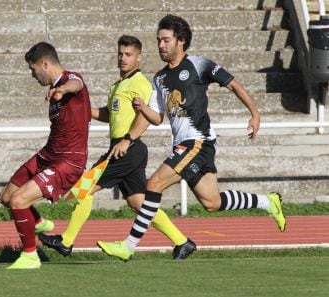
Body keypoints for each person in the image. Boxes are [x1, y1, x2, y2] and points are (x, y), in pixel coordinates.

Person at [97, 14, 286, 261]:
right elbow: (155, 117)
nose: (160, 45)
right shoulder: (160, 78)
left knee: (153, 185)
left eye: (166, 40)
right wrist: (130, 135)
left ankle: (128, 246)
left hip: (198, 141)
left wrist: (255, 113)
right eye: (158, 40)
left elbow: (234, 85)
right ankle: (268, 202)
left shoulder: (199, 65)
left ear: (181, 41)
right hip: (187, 145)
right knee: (212, 202)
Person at [38, 35, 196, 260]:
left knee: (84, 188)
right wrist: (83, 109)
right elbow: (108, 114)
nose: (123, 58)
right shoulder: (118, 85)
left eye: (128, 55)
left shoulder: (140, 82)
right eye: (120, 54)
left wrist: (127, 141)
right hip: (123, 148)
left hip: (127, 148)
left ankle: (66, 241)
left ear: (139, 58)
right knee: (138, 203)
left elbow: (147, 116)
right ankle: (182, 242)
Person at [0, 42, 91, 269]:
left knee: (20, 201)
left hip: (68, 162)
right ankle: (38, 223)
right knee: (7, 198)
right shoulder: (54, 89)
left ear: (45, 63)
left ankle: (30, 256)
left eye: (33, 69)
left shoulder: (70, 79)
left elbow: (76, 84)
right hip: (48, 155)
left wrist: (63, 89)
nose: (33, 75)